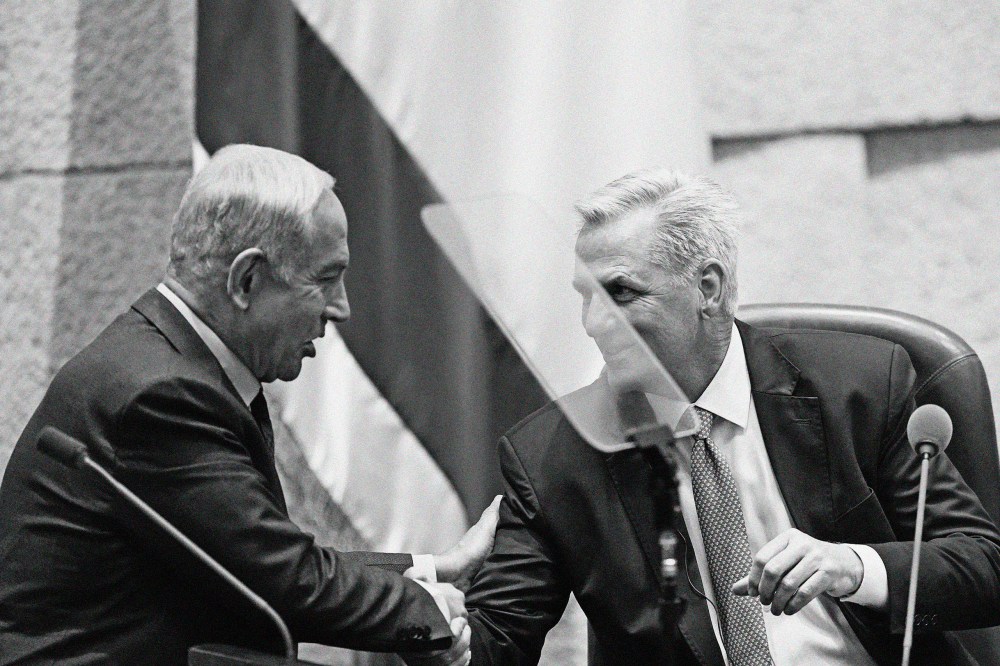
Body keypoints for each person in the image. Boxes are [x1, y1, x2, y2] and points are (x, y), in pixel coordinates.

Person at [462, 169, 1000, 665]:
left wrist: (854, 567)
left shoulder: (856, 388)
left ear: (708, 289)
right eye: (586, 297)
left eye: (621, 293)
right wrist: (424, 619)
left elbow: (985, 568)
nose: (594, 324)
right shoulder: (553, 454)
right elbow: (493, 645)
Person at [0, 144, 493, 665]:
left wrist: (436, 568)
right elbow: (281, 577)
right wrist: (425, 616)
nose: (342, 308)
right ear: (247, 280)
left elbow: (251, 558)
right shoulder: (159, 392)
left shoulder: (170, 363)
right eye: (325, 279)